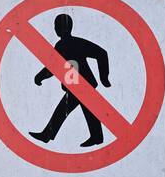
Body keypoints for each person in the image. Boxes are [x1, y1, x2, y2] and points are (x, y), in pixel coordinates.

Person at [29, 13, 110, 147]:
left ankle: (47, 135)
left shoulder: (64, 45)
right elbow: (54, 66)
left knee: (63, 110)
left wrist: (104, 78)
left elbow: (101, 53)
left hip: (81, 85)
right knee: (89, 111)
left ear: (58, 28)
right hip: (79, 85)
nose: (56, 29)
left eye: (57, 26)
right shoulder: (68, 44)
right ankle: (97, 137)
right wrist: (103, 78)